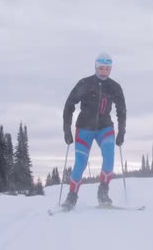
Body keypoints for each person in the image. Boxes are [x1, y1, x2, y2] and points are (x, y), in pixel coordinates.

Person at [61, 52, 126, 209]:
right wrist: (67, 130)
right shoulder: (85, 83)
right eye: (101, 68)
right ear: (96, 67)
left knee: (109, 159)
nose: (104, 71)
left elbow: (121, 110)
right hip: (84, 128)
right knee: (80, 164)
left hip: (105, 128)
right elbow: (69, 105)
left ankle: (103, 193)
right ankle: (72, 197)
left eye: (107, 68)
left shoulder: (114, 87)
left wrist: (122, 131)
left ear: (110, 69)